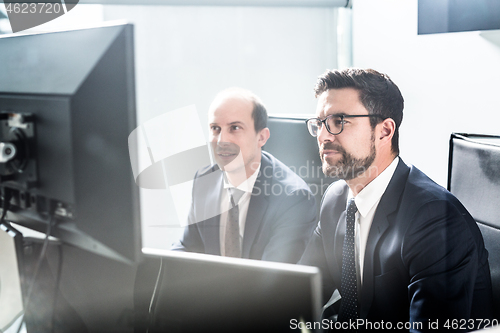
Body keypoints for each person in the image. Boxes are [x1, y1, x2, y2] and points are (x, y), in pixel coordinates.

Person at [299, 68, 493, 331]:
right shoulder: (336, 199)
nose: (323, 135)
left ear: (384, 130)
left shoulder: (435, 219)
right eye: (320, 123)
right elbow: (299, 294)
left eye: (338, 121)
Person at [171, 87, 317, 263]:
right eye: (215, 128)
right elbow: (187, 248)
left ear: (261, 137)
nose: (222, 140)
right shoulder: (204, 180)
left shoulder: (293, 198)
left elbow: (273, 281)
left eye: (235, 128)